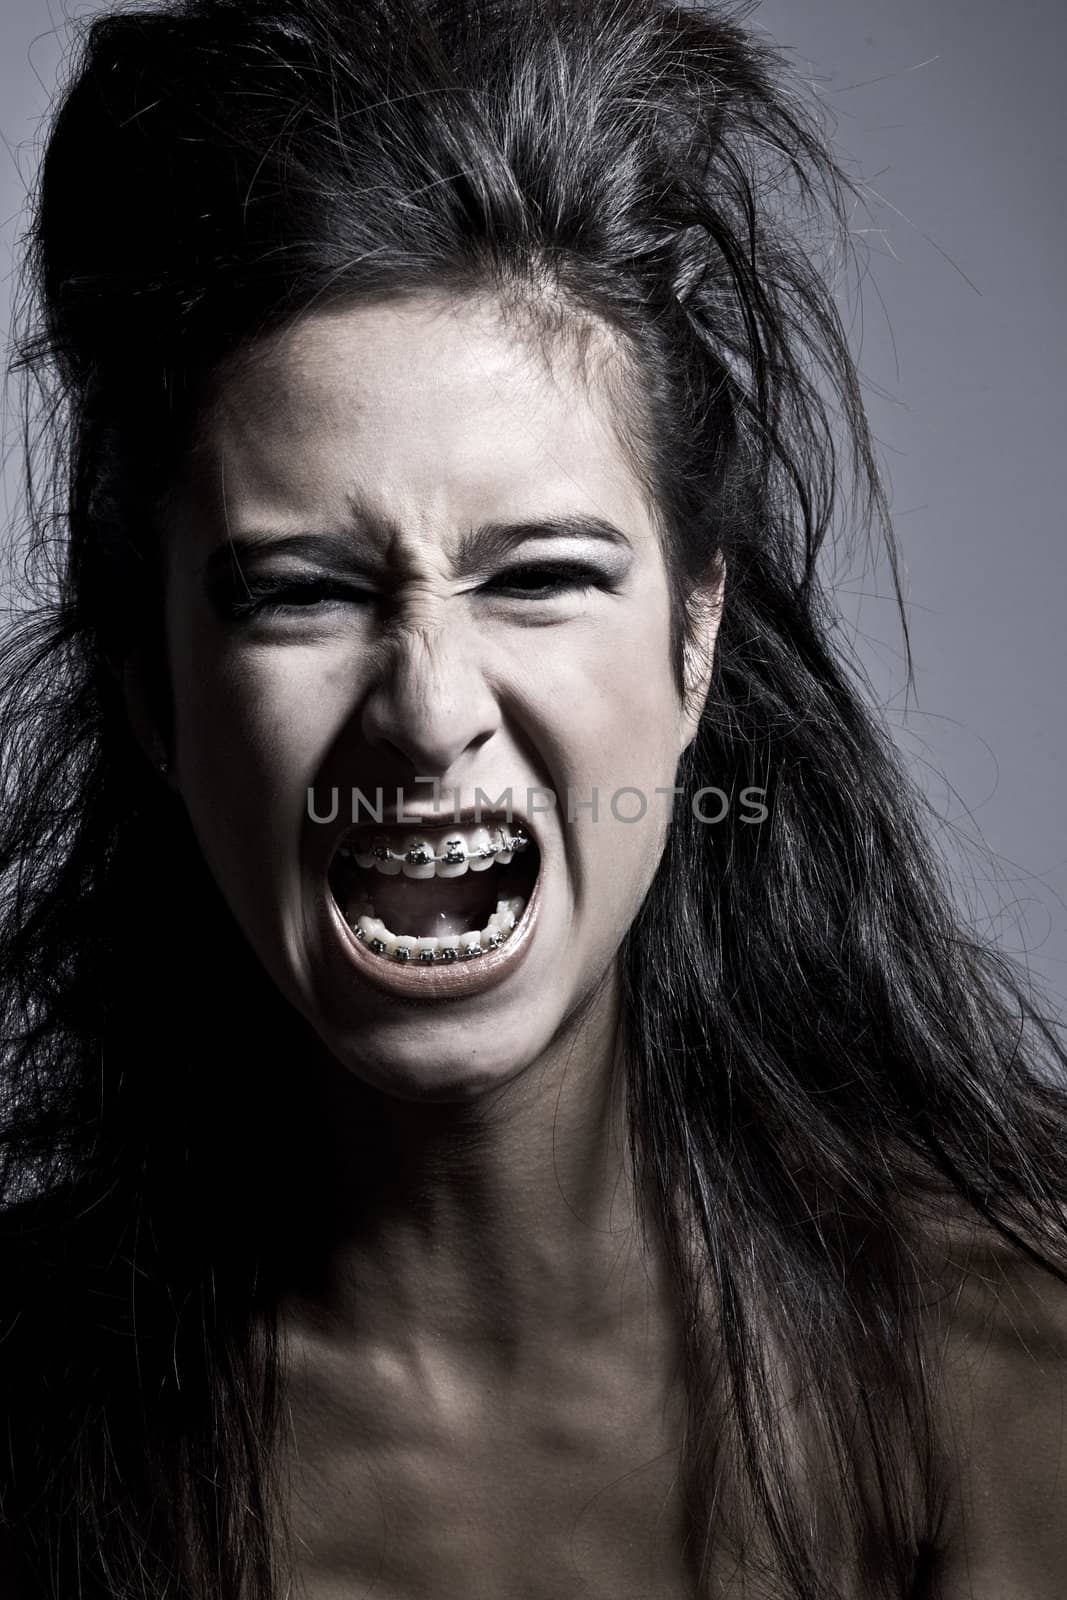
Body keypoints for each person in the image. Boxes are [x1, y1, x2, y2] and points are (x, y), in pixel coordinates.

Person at [1, 0, 1066, 1596]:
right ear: (153, 683)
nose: (428, 707)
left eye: (544, 576)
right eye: (298, 592)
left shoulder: (1017, 1396)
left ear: (696, 637)